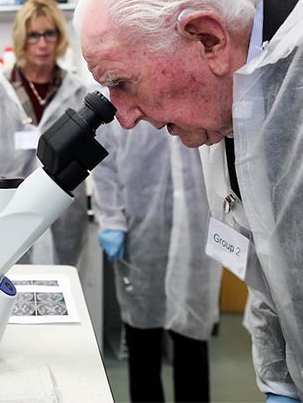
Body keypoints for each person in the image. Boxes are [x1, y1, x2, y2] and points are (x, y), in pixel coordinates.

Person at [75, 0, 303, 402]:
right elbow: (271, 277)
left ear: (208, 38)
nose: (123, 118)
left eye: (122, 83)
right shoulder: (230, 99)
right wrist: (281, 383)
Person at [93, 119, 220, 402]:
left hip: (195, 229)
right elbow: (104, 164)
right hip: (140, 232)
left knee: (191, 339)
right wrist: (112, 219)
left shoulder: (196, 81)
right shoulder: (115, 91)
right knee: (142, 341)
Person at [0, 0, 87, 265]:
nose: (42, 43)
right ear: (22, 38)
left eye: (49, 34)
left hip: (62, 209)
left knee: (59, 284)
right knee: (6, 278)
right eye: (34, 35)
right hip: (8, 206)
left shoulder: (75, 89)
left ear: (59, 37)